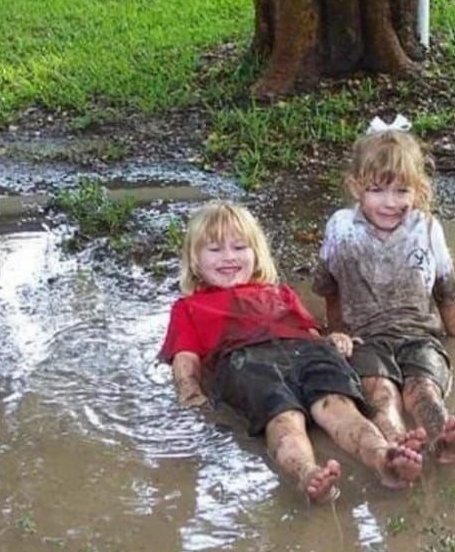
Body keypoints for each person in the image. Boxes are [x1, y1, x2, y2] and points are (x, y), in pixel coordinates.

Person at [159, 201, 424, 504]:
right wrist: (189, 393)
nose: (229, 257)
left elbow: (310, 331)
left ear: (256, 253)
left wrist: (333, 338)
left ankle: (382, 458)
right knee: (284, 419)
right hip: (247, 361)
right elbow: (185, 358)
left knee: (340, 408)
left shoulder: (280, 292)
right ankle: (307, 473)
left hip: (307, 352)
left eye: (239, 247)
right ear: (194, 261)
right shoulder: (189, 307)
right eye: (215, 250)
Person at [313, 119, 455, 464]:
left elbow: (447, 291)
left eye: (402, 191)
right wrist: (337, 331)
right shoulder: (342, 228)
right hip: (365, 338)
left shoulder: (427, 228)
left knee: (424, 391)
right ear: (356, 187)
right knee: (382, 393)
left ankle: (444, 438)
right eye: (377, 190)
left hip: (420, 335)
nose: (390, 203)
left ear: (418, 188)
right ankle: (398, 444)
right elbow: (329, 287)